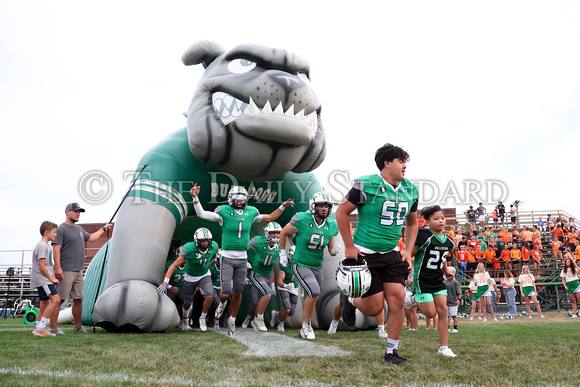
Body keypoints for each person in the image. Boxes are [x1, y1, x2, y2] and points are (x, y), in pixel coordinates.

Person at [335, 143, 419, 365]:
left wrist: (408, 251)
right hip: (366, 254)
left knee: (398, 300)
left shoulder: (410, 189)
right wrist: (349, 246)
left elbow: (412, 224)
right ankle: (350, 299)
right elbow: (342, 212)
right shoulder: (367, 185)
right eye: (401, 161)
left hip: (391, 253)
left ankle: (392, 351)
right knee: (374, 308)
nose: (405, 166)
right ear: (387, 163)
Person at [189, 184, 294, 336]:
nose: (239, 202)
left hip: (242, 258)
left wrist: (282, 206)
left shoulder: (251, 212)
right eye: (237, 199)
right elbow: (202, 214)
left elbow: (270, 217)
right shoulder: (223, 211)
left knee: (238, 292)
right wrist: (195, 198)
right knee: (225, 291)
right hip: (227, 257)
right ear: (231, 199)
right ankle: (222, 304)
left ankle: (232, 319)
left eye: (242, 199)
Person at [280, 191, 339, 340]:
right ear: (313, 206)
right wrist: (282, 254)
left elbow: (331, 251)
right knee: (314, 290)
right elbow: (283, 233)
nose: (324, 209)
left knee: (313, 295)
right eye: (321, 205)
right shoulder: (302, 219)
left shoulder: (331, 224)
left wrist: (334, 249)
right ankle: (307, 325)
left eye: (326, 206)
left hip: (317, 267)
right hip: (300, 263)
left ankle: (303, 328)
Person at [53, 203, 112, 333]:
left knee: (78, 299)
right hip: (65, 270)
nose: (78, 214)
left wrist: (103, 229)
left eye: (79, 212)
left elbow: (91, 238)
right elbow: (56, 250)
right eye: (75, 211)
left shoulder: (79, 229)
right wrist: (58, 268)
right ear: (67, 212)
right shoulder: (61, 229)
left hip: (79, 271)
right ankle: (53, 328)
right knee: (59, 300)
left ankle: (78, 327)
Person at [408, 205, 456, 357]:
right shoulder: (423, 236)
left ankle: (444, 347)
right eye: (436, 219)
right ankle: (412, 297)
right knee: (430, 313)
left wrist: (447, 271)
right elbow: (410, 253)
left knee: (443, 311)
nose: (441, 221)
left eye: (442, 218)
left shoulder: (449, 241)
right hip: (422, 280)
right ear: (427, 221)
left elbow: (441, 259)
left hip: (437, 280)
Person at [158, 228, 218, 331]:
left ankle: (202, 318)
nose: (205, 243)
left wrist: (213, 260)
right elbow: (173, 265)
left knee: (209, 295)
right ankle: (185, 320)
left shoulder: (214, 246)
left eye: (207, 240)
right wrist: (165, 283)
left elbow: (214, 253)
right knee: (187, 303)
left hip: (204, 274)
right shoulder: (189, 249)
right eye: (202, 240)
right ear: (196, 241)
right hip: (190, 277)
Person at [245, 222, 282, 332]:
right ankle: (259, 319)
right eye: (273, 232)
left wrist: (273, 284)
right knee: (266, 294)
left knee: (265, 298)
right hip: (256, 273)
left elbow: (271, 267)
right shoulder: (258, 241)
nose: (276, 235)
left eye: (277, 233)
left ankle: (255, 320)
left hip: (267, 275)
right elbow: (243, 247)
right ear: (267, 233)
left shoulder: (279, 246)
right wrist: (245, 263)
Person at [31, 221, 61, 337]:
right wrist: (51, 279)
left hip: (45, 279)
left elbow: (49, 265)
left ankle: (38, 327)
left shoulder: (46, 246)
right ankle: (41, 328)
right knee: (56, 300)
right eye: (54, 232)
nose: (56, 234)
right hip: (43, 280)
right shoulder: (42, 246)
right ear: (46, 232)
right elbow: (41, 266)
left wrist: (53, 276)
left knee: (44, 303)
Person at [271, 246, 299, 332]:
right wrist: (286, 286)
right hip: (284, 287)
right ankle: (281, 324)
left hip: (295, 288)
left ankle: (276, 314)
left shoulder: (302, 264)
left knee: (291, 312)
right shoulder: (285, 264)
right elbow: (279, 281)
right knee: (287, 309)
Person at [561, 253, 580, 318]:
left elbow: (579, 271)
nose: (567, 262)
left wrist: (575, 265)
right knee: (573, 301)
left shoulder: (574, 268)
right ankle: (574, 314)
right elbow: (563, 279)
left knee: (579, 299)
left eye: (568, 261)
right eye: (566, 261)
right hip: (569, 285)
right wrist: (565, 286)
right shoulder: (564, 270)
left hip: (576, 284)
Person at [444, 267, 461, 333]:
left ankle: (455, 328)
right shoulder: (445, 282)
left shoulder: (455, 282)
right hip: (446, 301)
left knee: (454, 315)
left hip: (453, 301)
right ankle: (447, 327)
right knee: (447, 316)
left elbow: (459, 292)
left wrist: (458, 299)